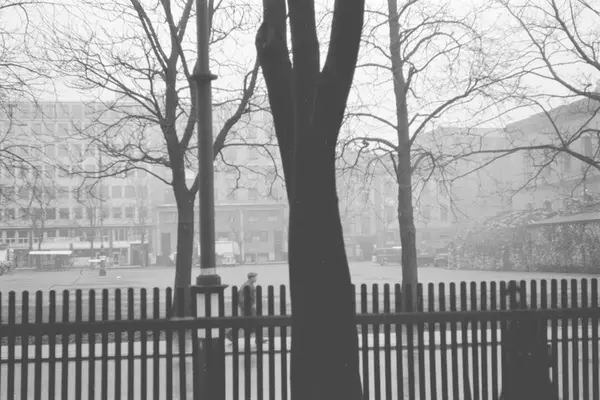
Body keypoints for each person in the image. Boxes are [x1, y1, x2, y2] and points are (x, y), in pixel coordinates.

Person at [499, 282, 558, 400]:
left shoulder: (518, 316)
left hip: (523, 362)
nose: (510, 298)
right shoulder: (520, 315)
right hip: (528, 363)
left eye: (513, 294)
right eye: (509, 295)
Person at [226, 272, 264, 345]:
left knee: (253, 321)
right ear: (251, 278)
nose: (256, 279)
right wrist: (247, 307)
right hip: (247, 308)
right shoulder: (247, 286)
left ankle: (259, 338)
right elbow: (241, 298)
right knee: (252, 321)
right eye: (255, 277)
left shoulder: (249, 285)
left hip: (249, 307)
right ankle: (230, 334)